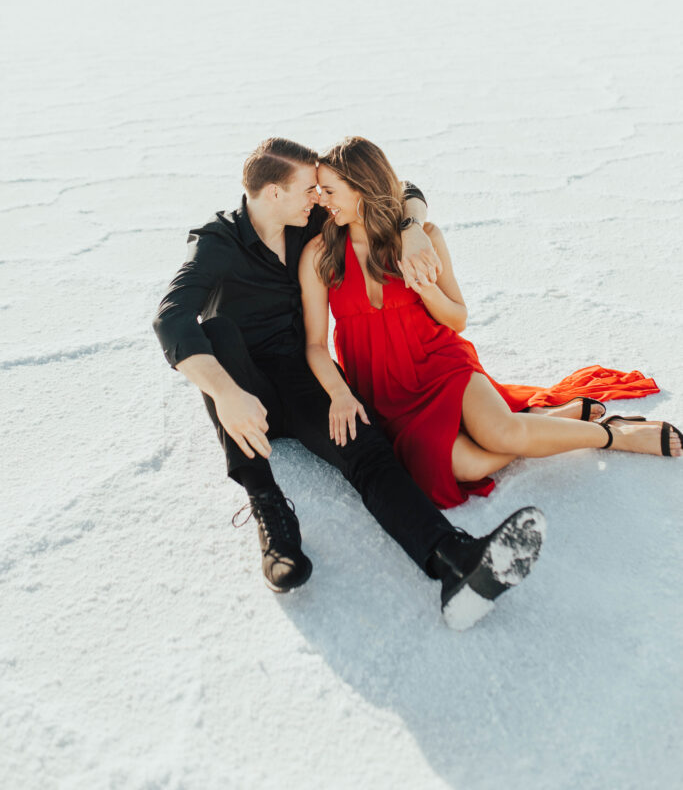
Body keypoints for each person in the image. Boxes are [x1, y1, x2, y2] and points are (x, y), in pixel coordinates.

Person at [152, 137, 547, 631]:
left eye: (322, 192)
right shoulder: (216, 243)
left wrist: (412, 229)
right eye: (307, 191)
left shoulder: (312, 221)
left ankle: (453, 559)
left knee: (369, 451)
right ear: (274, 194)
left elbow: (393, 190)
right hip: (248, 397)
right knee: (218, 334)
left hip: (307, 379)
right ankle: (270, 513)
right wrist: (227, 394)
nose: (318, 198)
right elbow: (170, 319)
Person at [299, 137, 680, 511]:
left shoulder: (422, 238)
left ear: (361, 189)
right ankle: (536, 419)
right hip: (383, 392)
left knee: (501, 434)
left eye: (330, 191)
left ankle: (612, 434)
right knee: (465, 465)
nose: (322, 201)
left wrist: (427, 290)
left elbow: (457, 319)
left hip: (440, 364)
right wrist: (340, 393)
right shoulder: (321, 254)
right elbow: (316, 344)